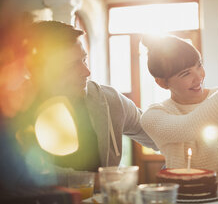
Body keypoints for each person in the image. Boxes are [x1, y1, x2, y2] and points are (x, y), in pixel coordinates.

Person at [19, 21, 157, 180]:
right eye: (71, 66)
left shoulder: (108, 100)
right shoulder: (14, 114)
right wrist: (98, 181)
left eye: (83, 60)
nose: (86, 71)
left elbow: (158, 135)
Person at [140, 18, 218, 190]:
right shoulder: (153, 116)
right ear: (162, 83)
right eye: (186, 74)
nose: (199, 77)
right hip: (180, 196)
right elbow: (189, 127)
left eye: (199, 66)